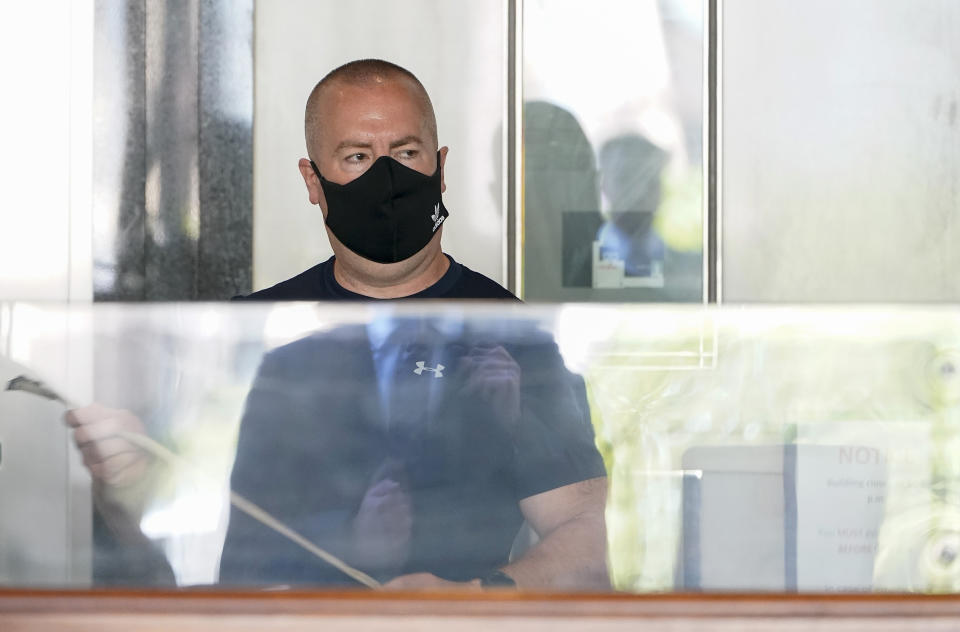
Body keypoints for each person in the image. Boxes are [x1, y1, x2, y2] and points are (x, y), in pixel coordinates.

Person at [67, 59, 609, 591]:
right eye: (357, 156)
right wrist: (126, 481)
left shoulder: (510, 337)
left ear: (440, 168)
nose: (387, 177)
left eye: (406, 152)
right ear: (313, 179)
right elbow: (168, 533)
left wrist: (471, 597)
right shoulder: (258, 335)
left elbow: (587, 545)